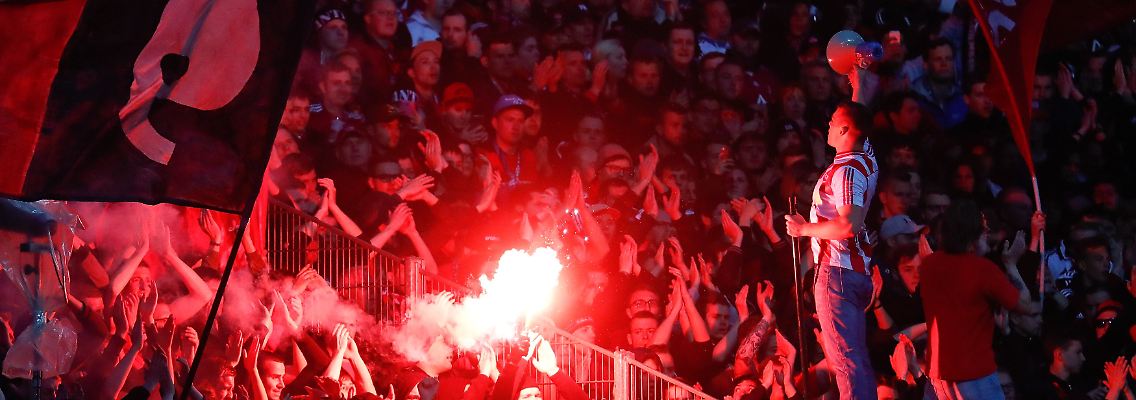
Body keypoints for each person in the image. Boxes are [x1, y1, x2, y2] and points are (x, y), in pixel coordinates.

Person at [785, 98, 879, 399]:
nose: (828, 123)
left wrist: (804, 229)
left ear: (845, 129)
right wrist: (858, 78)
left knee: (846, 363)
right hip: (852, 273)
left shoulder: (848, 172)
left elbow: (847, 225)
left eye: (833, 119)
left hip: (837, 274)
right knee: (856, 360)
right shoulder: (867, 160)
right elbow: (859, 110)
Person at [920, 200, 1040, 399]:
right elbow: (1026, 306)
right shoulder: (982, 269)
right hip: (973, 374)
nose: (987, 233)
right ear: (974, 234)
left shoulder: (929, 265)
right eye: (984, 229)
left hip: (936, 377)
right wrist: (1011, 265)